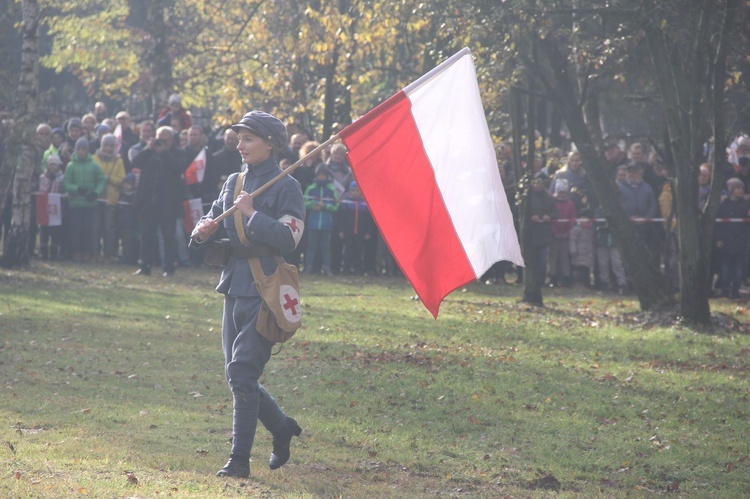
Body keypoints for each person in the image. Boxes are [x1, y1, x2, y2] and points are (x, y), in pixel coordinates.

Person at [190, 110, 305, 478]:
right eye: (238, 138)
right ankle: (282, 427)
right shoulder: (234, 181)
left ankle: (238, 462)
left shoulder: (287, 184)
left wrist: (254, 215)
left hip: (266, 286)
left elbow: (291, 238)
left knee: (242, 372)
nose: (239, 145)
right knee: (237, 374)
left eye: (248, 139)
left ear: (270, 143)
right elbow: (210, 218)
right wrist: (203, 230)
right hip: (233, 283)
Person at [132, 127, 187, 277]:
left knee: (168, 237)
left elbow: (179, 167)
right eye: (158, 139)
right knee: (146, 235)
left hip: (168, 204)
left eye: (165, 139)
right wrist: (148, 149)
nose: (160, 142)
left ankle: (169, 268)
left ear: (171, 140)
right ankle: (144, 266)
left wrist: (164, 152)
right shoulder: (148, 153)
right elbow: (135, 163)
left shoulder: (178, 153)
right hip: (149, 202)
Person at [62, 137, 106, 262]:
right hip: (75, 203)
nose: (81, 152)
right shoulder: (71, 165)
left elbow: (101, 181)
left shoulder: (94, 166)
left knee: (88, 230)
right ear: (76, 150)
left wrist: (96, 193)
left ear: (88, 150)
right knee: (76, 229)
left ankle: (87, 252)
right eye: (79, 149)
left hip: (90, 203)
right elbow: (66, 183)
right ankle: (76, 252)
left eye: (84, 149)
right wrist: (77, 189)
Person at [92, 133, 126, 260]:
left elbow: (121, 180)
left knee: (108, 228)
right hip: (96, 198)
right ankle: (94, 252)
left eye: (111, 146)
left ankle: (108, 253)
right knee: (95, 227)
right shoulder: (94, 159)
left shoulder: (119, 161)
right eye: (105, 145)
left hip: (111, 199)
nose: (108, 148)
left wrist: (109, 178)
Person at [715, 178, 750, 298]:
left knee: (739, 269)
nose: (740, 190)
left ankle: (736, 290)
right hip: (726, 240)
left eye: (742, 188)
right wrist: (718, 239)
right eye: (737, 188)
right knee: (725, 268)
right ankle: (725, 289)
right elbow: (718, 223)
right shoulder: (723, 205)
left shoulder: (746, 205)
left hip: (741, 241)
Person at [304, 164, 339, 275]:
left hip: (326, 223)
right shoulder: (311, 188)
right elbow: (305, 202)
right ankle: (309, 267)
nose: (321, 177)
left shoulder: (331, 189)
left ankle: (327, 267)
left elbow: (336, 204)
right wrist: (314, 205)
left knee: (325, 247)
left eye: (323, 175)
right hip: (313, 223)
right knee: (311, 246)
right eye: (319, 175)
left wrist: (325, 206)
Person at [337, 181, 375, 275]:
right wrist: (341, 230)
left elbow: (368, 221)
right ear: (350, 192)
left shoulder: (365, 205)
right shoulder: (346, 203)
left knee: (359, 251)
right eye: (353, 190)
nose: (355, 192)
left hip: (360, 232)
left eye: (357, 191)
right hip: (348, 231)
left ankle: (358, 269)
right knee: (348, 250)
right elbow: (342, 219)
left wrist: (368, 232)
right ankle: (346, 268)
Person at [548, 179, 577, 287]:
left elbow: (572, 219)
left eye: (564, 192)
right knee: (553, 257)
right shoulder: (552, 202)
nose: (562, 195)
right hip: (554, 235)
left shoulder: (570, 204)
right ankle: (552, 277)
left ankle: (566, 278)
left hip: (565, 235)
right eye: (560, 192)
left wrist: (567, 232)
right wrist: (554, 232)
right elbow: (551, 219)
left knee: (565, 257)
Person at [37, 154, 65, 260]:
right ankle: (43, 252)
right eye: (50, 165)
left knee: (55, 232)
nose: (52, 167)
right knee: (44, 231)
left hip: (56, 209)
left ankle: (54, 253)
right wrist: (49, 180)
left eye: (54, 164)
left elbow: (63, 190)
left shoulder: (62, 177)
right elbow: (42, 189)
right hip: (44, 208)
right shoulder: (43, 177)